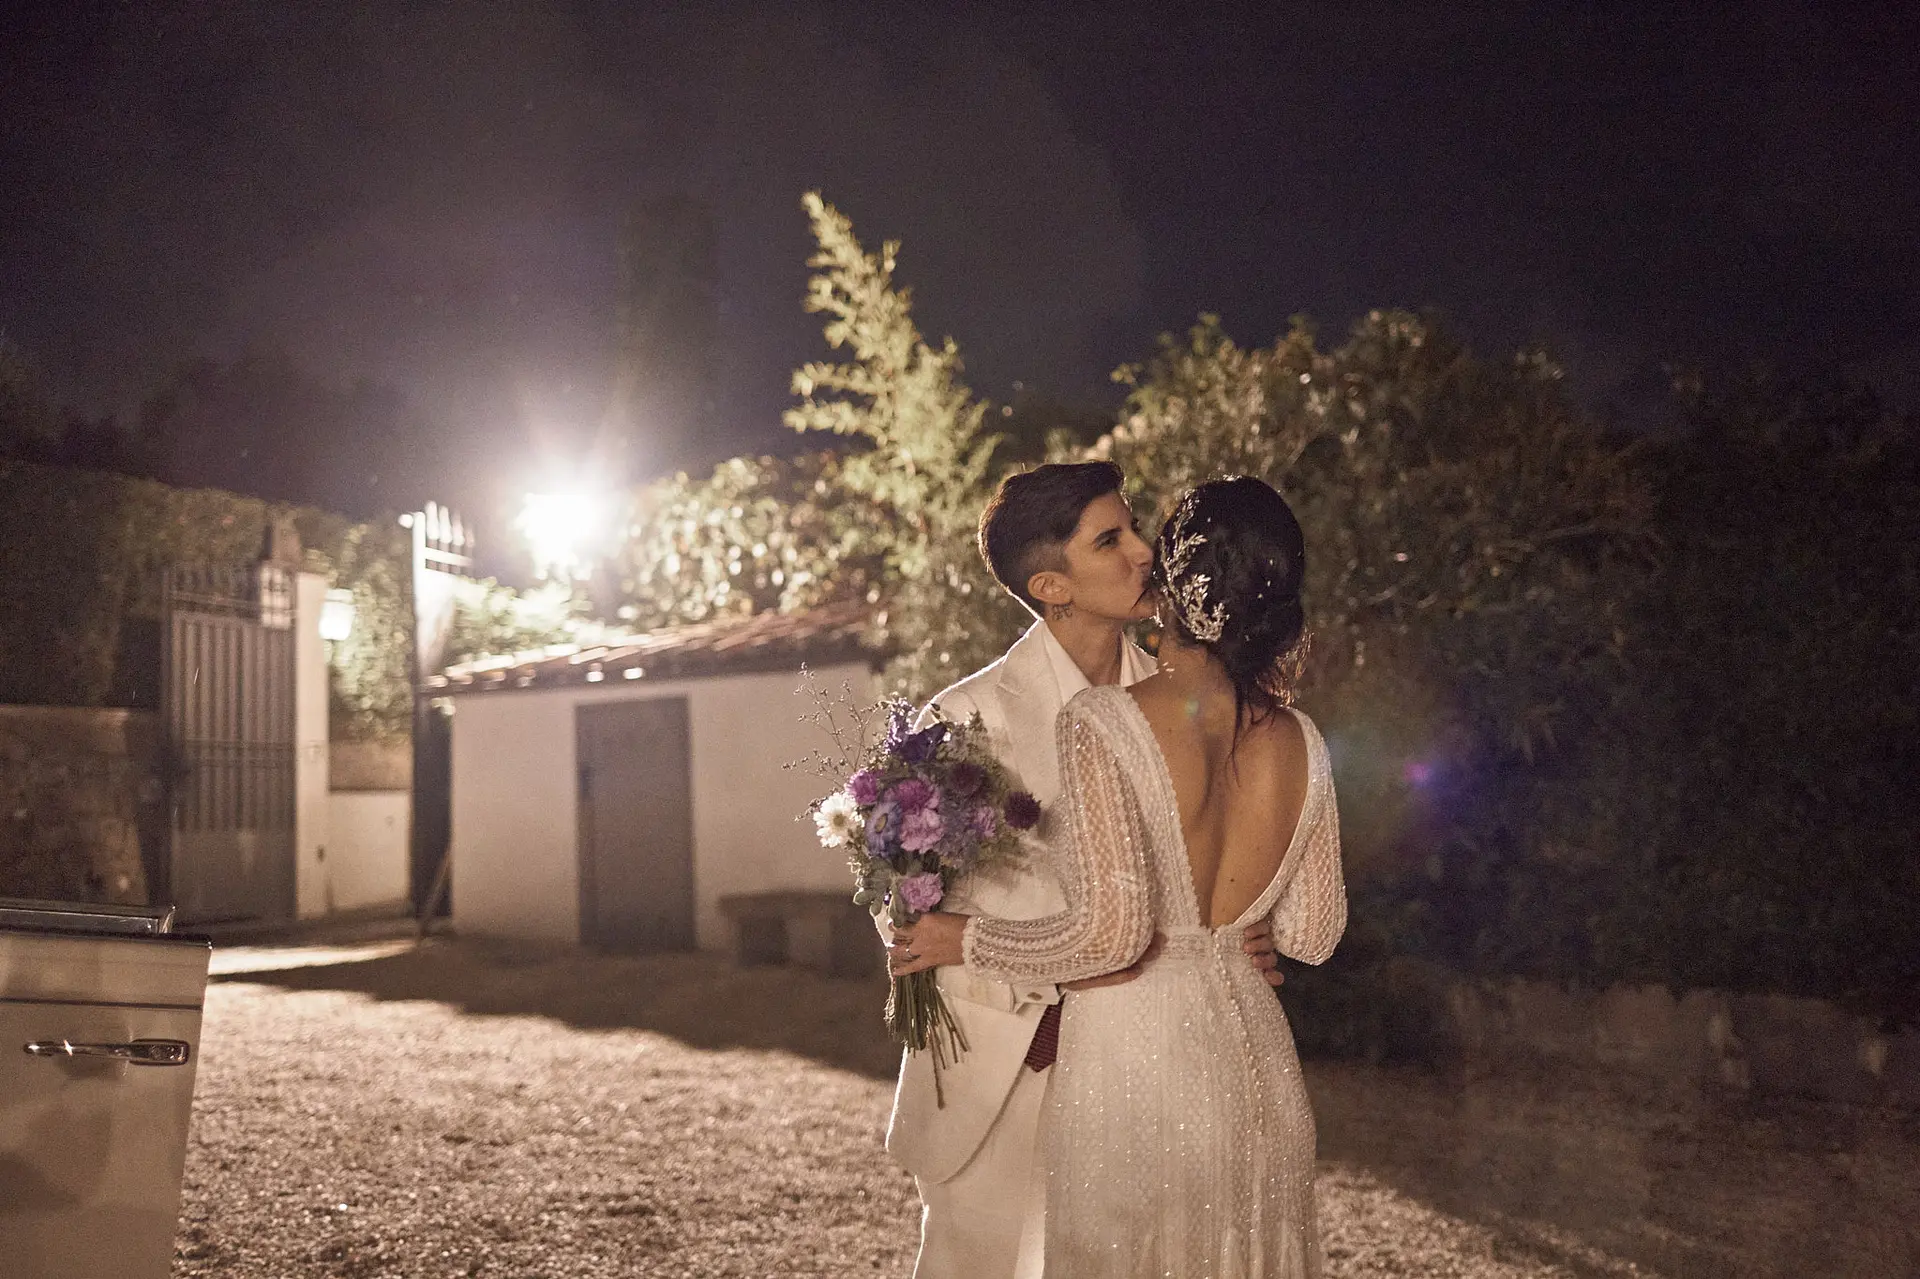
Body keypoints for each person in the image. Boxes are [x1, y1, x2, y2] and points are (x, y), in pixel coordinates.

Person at [893, 475, 1346, 1277]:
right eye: (1111, 541)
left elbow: (1208, 884)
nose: (1143, 553)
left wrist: (1248, 924)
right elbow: (911, 911)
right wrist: (1040, 998)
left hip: (1160, 1062)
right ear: (1051, 587)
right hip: (1012, 1061)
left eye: (1137, 530)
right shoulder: (964, 720)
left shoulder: (1178, 694)